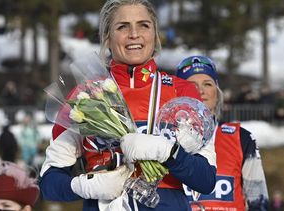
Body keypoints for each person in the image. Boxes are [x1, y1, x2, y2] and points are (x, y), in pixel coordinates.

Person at [39, 1, 217, 210]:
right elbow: (48, 184)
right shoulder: (86, 97)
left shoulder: (183, 92)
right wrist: (82, 186)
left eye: (144, 25)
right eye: (122, 26)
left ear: (155, 35)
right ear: (107, 37)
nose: (134, 34)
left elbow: (206, 180)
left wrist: (168, 152)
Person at [176, 55, 269, 211]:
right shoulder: (164, 137)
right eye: (191, 85)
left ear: (217, 93)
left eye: (208, 84)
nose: (200, 91)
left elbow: (258, 201)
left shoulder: (241, 138)